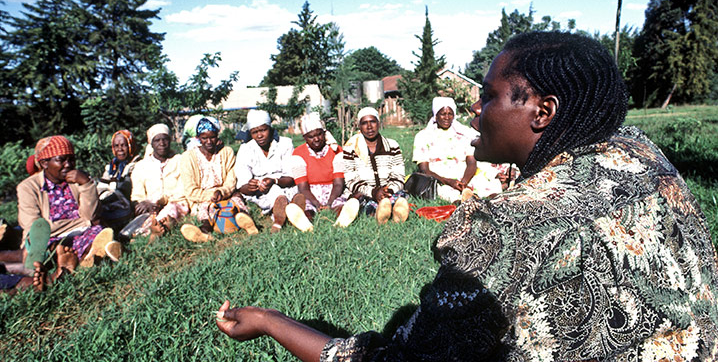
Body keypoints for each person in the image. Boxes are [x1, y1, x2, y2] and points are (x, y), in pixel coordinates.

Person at [217, 32, 718, 361]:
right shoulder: (641, 152)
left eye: (488, 96)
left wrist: (270, 321)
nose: (473, 109)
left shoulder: (506, 227)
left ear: (542, 111)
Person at [17, 136, 121, 268]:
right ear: (44, 163)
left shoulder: (78, 179)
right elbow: (35, 228)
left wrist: (86, 184)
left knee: (99, 231)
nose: (68, 165)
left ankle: (89, 258)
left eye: (71, 159)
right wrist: (82, 223)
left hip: (81, 232)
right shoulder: (28, 187)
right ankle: (90, 256)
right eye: (61, 160)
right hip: (48, 239)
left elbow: (91, 216)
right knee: (50, 248)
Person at [180, 117, 258, 242]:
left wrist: (222, 191)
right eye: (204, 138)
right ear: (198, 138)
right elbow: (190, 190)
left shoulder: (226, 152)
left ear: (217, 136)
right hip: (202, 197)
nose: (209, 141)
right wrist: (211, 195)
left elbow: (231, 179)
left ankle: (249, 224)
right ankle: (203, 233)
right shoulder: (188, 157)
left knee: (237, 202)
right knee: (206, 210)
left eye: (212, 137)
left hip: (226, 193)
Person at [412, 97, 503, 200]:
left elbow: (472, 163)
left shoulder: (464, 135)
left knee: (489, 186)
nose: (447, 117)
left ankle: (494, 205)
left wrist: (463, 183)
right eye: (443, 114)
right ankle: (463, 205)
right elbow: (424, 169)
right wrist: (449, 181)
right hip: (440, 178)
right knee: (447, 193)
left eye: (450, 114)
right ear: (436, 116)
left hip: (465, 176)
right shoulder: (423, 136)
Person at [285, 113, 360, 232]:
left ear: (324, 133)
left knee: (339, 204)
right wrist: (317, 204)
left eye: (319, 134)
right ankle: (306, 223)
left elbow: (339, 183)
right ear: (304, 137)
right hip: (309, 191)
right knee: (307, 207)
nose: (316, 139)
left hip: (333, 191)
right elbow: (303, 186)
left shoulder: (336, 151)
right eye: (311, 136)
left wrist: (330, 203)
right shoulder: (298, 153)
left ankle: (342, 219)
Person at [235, 109, 299, 233]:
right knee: (274, 193)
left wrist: (274, 180)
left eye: (263, 130)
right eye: (254, 132)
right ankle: (288, 211)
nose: (259, 135)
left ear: (270, 128)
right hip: (261, 190)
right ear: (250, 133)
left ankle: (279, 218)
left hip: (283, 183)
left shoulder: (285, 144)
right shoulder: (245, 149)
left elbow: (290, 178)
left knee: (284, 189)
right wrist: (251, 186)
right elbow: (242, 186)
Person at [342, 107, 409, 224]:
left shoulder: (392, 145)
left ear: (378, 123)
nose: (369, 127)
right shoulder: (350, 149)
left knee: (399, 196)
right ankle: (380, 213)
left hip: (389, 191)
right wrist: (373, 192)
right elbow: (351, 179)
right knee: (361, 201)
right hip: (366, 192)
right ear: (359, 126)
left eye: (372, 122)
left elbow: (398, 175)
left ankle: (395, 210)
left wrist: (389, 191)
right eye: (364, 123)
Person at [128, 123, 188, 240]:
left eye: (165, 139)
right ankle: (134, 237)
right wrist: (143, 204)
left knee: (170, 211)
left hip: (176, 204)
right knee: (130, 228)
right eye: (157, 140)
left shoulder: (180, 160)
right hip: (151, 208)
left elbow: (182, 191)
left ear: (170, 141)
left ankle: (153, 234)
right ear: (151, 143)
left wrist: (158, 202)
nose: (162, 143)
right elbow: (137, 195)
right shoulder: (141, 166)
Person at [97, 130, 140, 231]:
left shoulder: (137, 165)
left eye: (123, 145)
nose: (120, 149)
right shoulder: (111, 167)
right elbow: (101, 188)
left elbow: (129, 190)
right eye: (116, 146)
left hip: (127, 206)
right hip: (108, 203)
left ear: (130, 145)